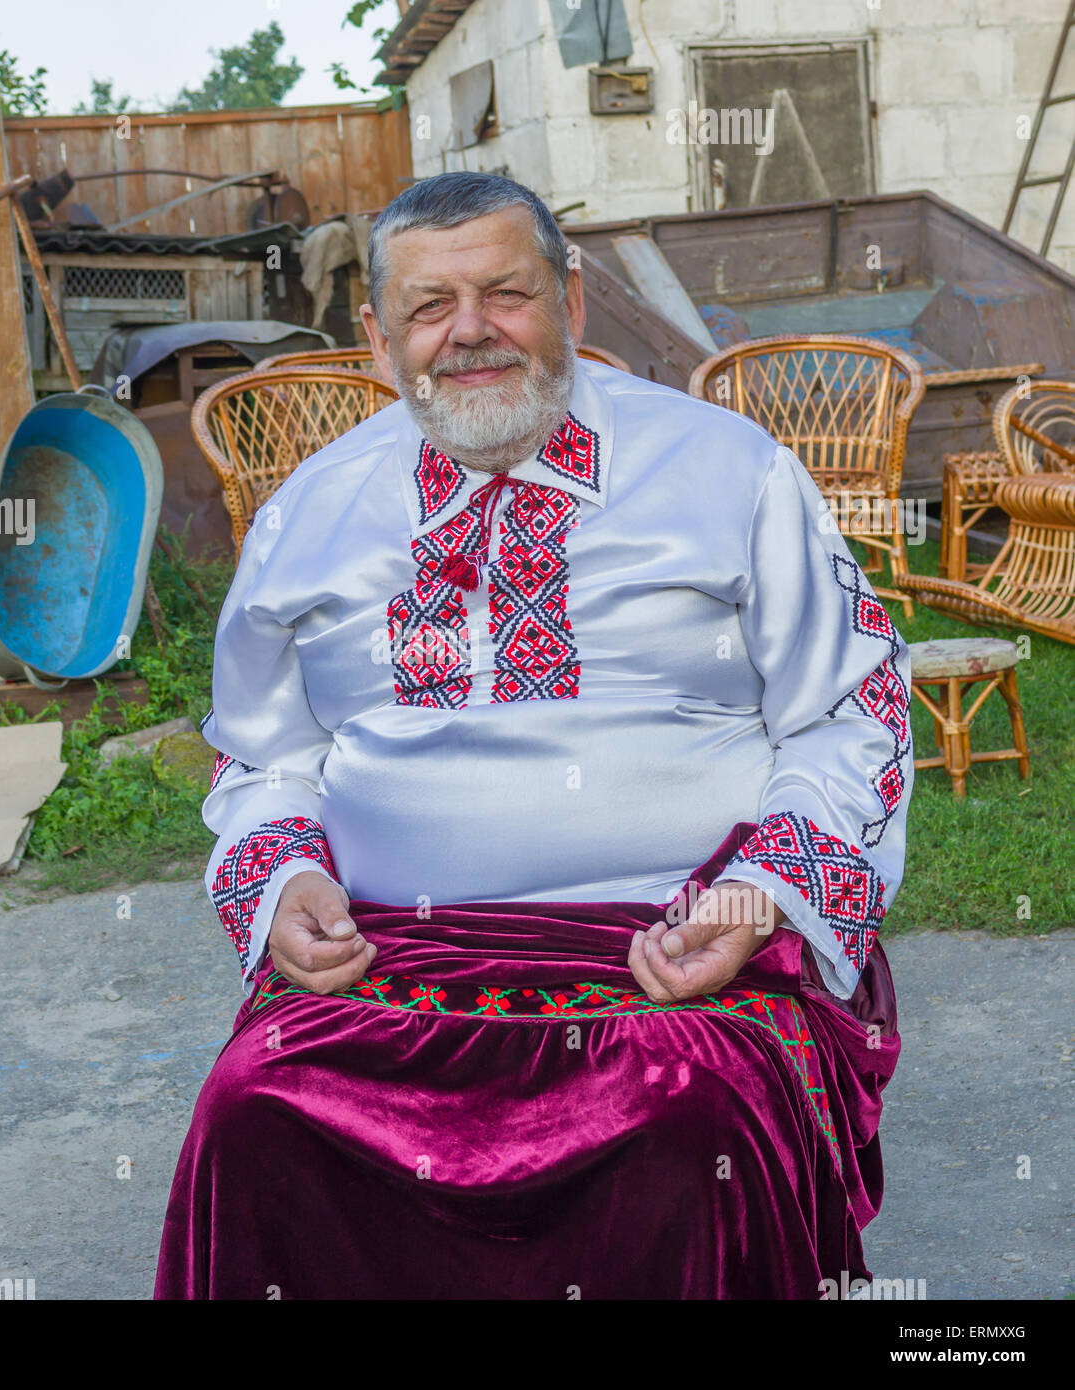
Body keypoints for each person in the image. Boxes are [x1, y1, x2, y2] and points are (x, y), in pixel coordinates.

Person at [154, 171, 910, 1300]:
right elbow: (263, 757)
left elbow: (854, 709)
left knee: (689, 1116)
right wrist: (286, 879)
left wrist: (754, 900)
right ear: (374, 336)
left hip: (679, 946)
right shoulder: (309, 513)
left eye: (504, 293)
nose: (467, 333)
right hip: (389, 952)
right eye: (426, 307)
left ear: (571, 301)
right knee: (254, 1106)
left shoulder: (727, 469)